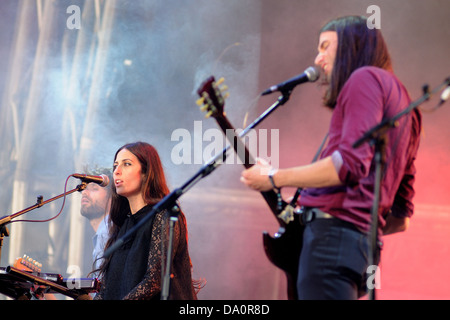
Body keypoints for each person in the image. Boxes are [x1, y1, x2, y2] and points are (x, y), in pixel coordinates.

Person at [240, 15, 421, 299]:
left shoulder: (364, 77)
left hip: (330, 243)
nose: (318, 57)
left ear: (352, 45)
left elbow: (347, 165)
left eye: (325, 46)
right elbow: (401, 218)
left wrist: (273, 178)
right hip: (360, 250)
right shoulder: (408, 108)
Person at [94, 141, 197, 300]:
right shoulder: (122, 226)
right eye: (115, 166)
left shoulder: (165, 215)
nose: (116, 172)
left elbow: (154, 281)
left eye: (126, 164)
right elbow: (107, 290)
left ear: (146, 172)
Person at [80, 167, 112, 273]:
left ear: (112, 198)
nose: (85, 193)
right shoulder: (103, 232)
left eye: (94, 189)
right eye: (85, 188)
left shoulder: (107, 232)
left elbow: (102, 285)